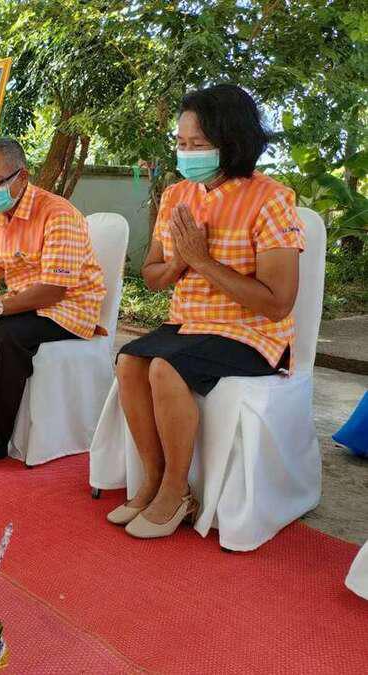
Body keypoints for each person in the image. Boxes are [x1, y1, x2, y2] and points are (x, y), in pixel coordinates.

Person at [108, 84, 305, 539]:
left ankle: (177, 491)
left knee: (165, 367)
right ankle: (153, 479)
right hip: (188, 324)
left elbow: (278, 303)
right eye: (181, 143)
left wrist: (203, 261)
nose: (186, 153)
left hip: (252, 333)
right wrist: (179, 261)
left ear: (230, 142)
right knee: (130, 361)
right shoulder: (177, 195)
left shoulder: (271, 199)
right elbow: (153, 276)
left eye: (197, 144)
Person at [0, 138, 106, 469]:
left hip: (68, 309)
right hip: (22, 305)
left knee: (7, 335)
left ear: (22, 176)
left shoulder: (58, 214)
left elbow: (53, 291)